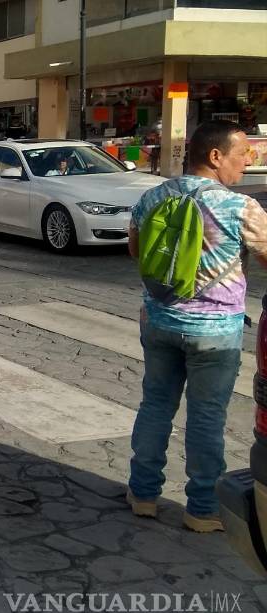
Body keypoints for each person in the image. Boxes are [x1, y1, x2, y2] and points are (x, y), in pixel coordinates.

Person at [126, 120, 267, 533]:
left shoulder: (152, 196)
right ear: (216, 156)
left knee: (155, 405)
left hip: (159, 320)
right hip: (215, 331)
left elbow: (136, 249)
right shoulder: (241, 208)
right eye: (243, 154)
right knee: (206, 418)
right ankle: (202, 509)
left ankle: (143, 494)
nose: (248, 162)